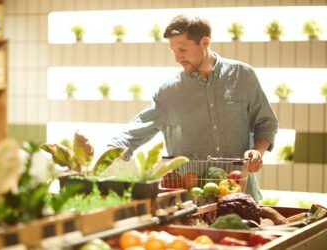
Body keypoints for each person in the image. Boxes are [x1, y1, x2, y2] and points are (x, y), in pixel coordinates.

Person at [108, 14, 278, 201]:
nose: (177, 57)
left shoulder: (243, 75)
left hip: (242, 194)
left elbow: (266, 123)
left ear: (205, 42)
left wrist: (257, 151)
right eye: (173, 50)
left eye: (182, 49)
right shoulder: (168, 92)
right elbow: (134, 131)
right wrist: (111, 150)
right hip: (193, 201)